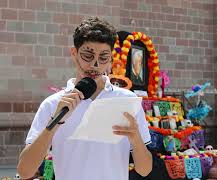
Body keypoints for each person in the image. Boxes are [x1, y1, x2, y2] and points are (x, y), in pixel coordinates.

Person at [17, 17, 152, 180]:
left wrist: (136, 138)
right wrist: (55, 122)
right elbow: (25, 172)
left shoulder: (127, 100)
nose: (95, 65)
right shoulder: (53, 104)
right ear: (74, 54)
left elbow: (145, 170)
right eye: (88, 55)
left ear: (111, 59)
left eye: (103, 57)